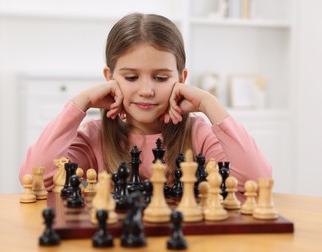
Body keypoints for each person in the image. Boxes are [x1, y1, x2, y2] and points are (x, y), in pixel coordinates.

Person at [19, 13, 272, 192]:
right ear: (109, 78)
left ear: (182, 79)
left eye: (161, 78)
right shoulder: (94, 137)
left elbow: (257, 180)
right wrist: (80, 104)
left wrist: (210, 104)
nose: (147, 90)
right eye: (131, 77)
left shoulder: (198, 135)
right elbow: (35, 179)